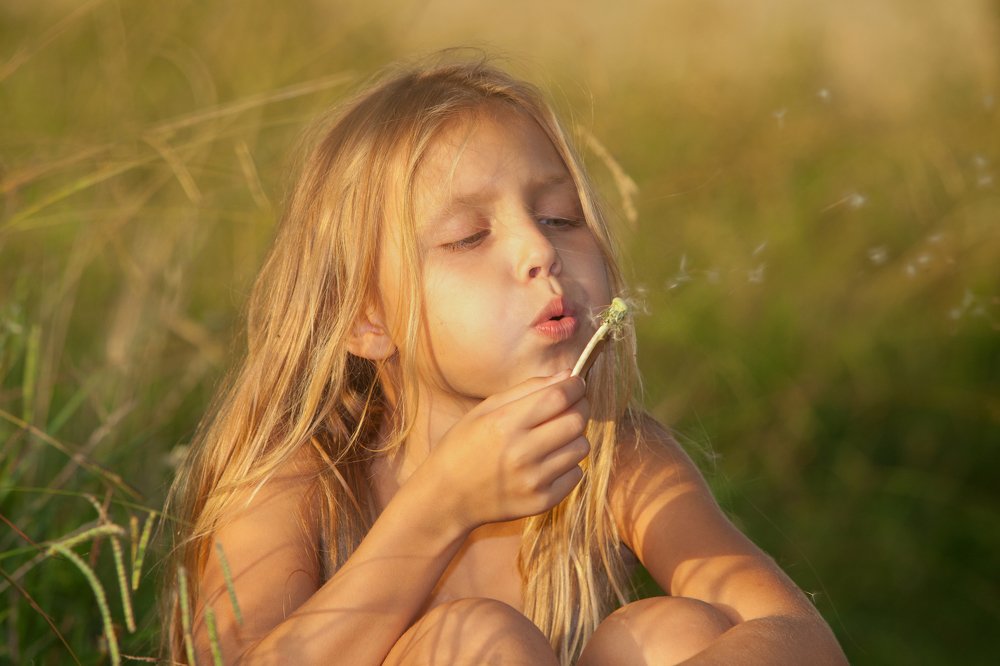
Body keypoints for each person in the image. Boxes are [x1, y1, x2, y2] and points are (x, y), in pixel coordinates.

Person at [165, 54, 847, 665]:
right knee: (477, 640)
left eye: (559, 218)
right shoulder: (298, 476)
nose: (539, 251)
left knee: (673, 636)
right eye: (468, 237)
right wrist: (437, 509)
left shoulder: (613, 454)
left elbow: (805, 642)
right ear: (365, 316)